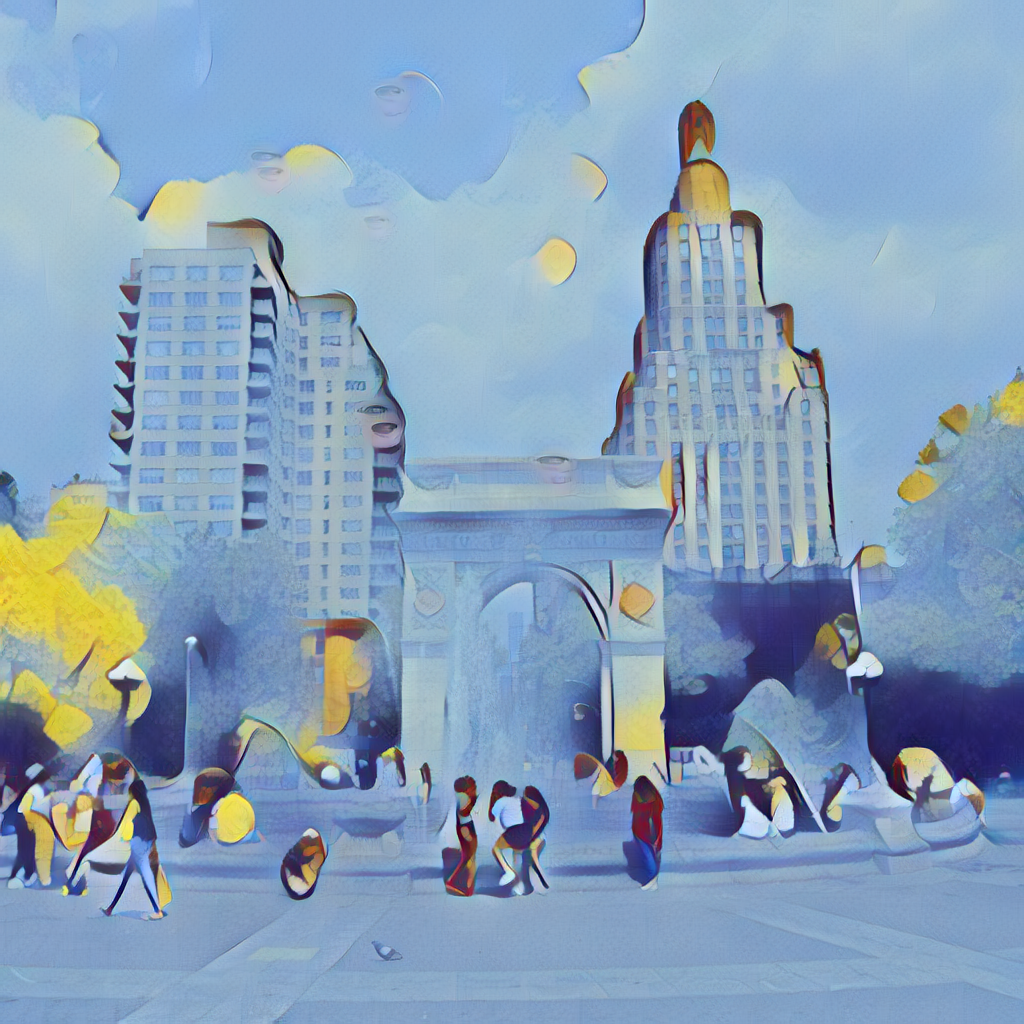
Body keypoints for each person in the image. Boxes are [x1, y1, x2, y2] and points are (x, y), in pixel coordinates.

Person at [102, 779, 166, 920]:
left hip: (138, 842)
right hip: (147, 841)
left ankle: (157, 910)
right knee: (127, 875)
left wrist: (123, 839)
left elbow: (127, 822)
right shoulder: (144, 803)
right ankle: (110, 908)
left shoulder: (134, 803)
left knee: (146, 874)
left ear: (133, 792)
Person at [502, 785, 550, 895]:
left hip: (537, 839)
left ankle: (537, 885)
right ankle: (529, 886)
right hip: (535, 838)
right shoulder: (534, 809)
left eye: (526, 797)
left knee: (528, 862)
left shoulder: (539, 810)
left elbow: (536, 828)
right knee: (526, 862)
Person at [20, 764, 55, 888]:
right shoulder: (36, 789)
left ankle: (40, 877)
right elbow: (25, 809)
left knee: (42, 850)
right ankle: (43, 878)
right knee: (42, 850)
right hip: (37, 822)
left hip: (39, 822)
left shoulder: (40, 788)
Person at [445, 776, 477, 897]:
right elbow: (464, 813)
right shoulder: (463, 797)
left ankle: (465, 886)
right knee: (469, 857)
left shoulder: (459, 796)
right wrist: (474, 799)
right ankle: (457, 883)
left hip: (463, 826)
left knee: (468, 857)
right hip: (466, 827)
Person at [631, 775, 664, 891]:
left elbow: (656, 822)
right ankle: (652, 881)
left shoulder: (652, 801)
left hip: (645, 833)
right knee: (649, 858)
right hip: (641, 833)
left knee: (650, 858)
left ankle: (652, 881)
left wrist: (657, 841)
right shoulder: (640, 797)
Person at [488, 781, 524, 886]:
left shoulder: (501, 801)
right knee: (515, 855)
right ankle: (518, 882)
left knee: (496, 849)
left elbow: (492, 817)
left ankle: (509, 872)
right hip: (526, 831)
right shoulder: (517, 799)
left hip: (513, 831)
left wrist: (492, 799)